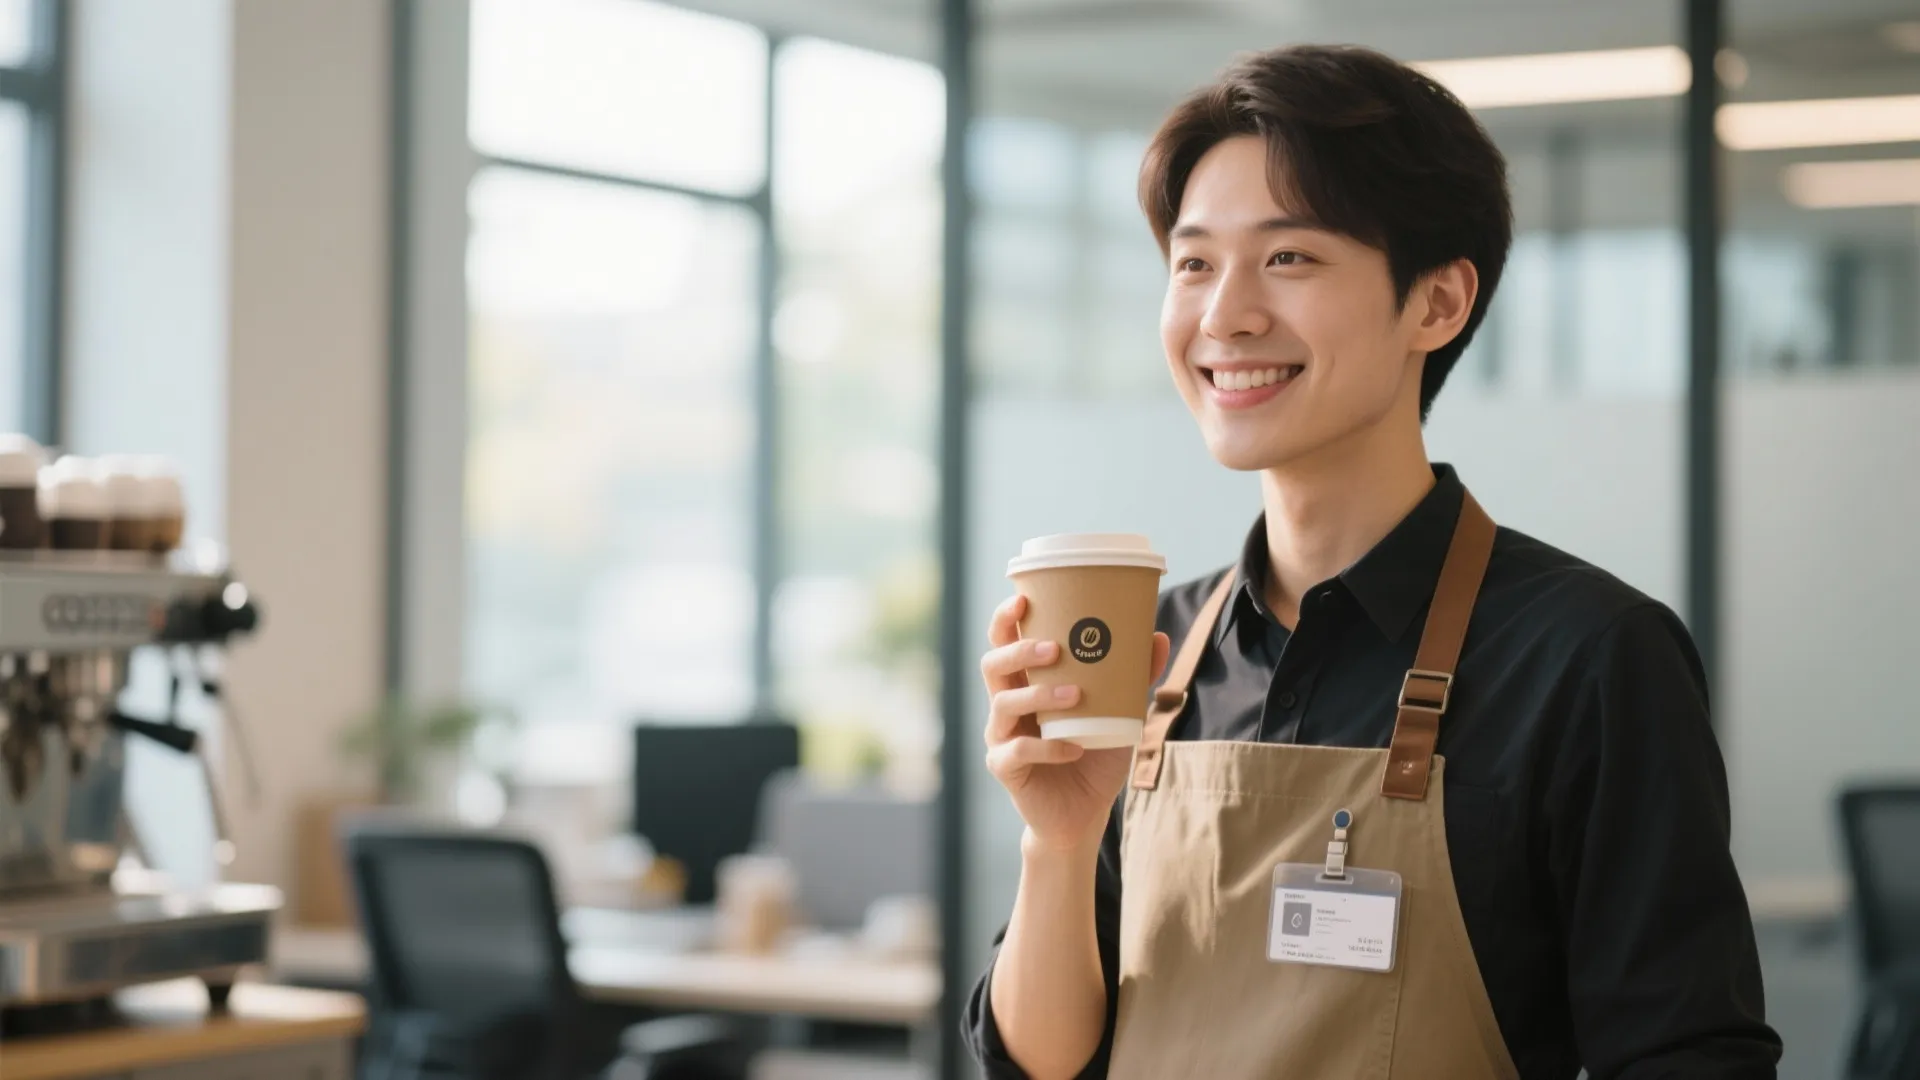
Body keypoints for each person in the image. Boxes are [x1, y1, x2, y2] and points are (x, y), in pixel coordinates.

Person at [963, 44, 1782, 1080]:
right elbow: (1040, 1067)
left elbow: (1688, 1059)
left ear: (1435, 304)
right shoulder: (1153, 652)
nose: (1225, 315)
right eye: (1194, 261)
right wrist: (1060, 840)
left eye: (1290, 257)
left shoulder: (1588, 658)